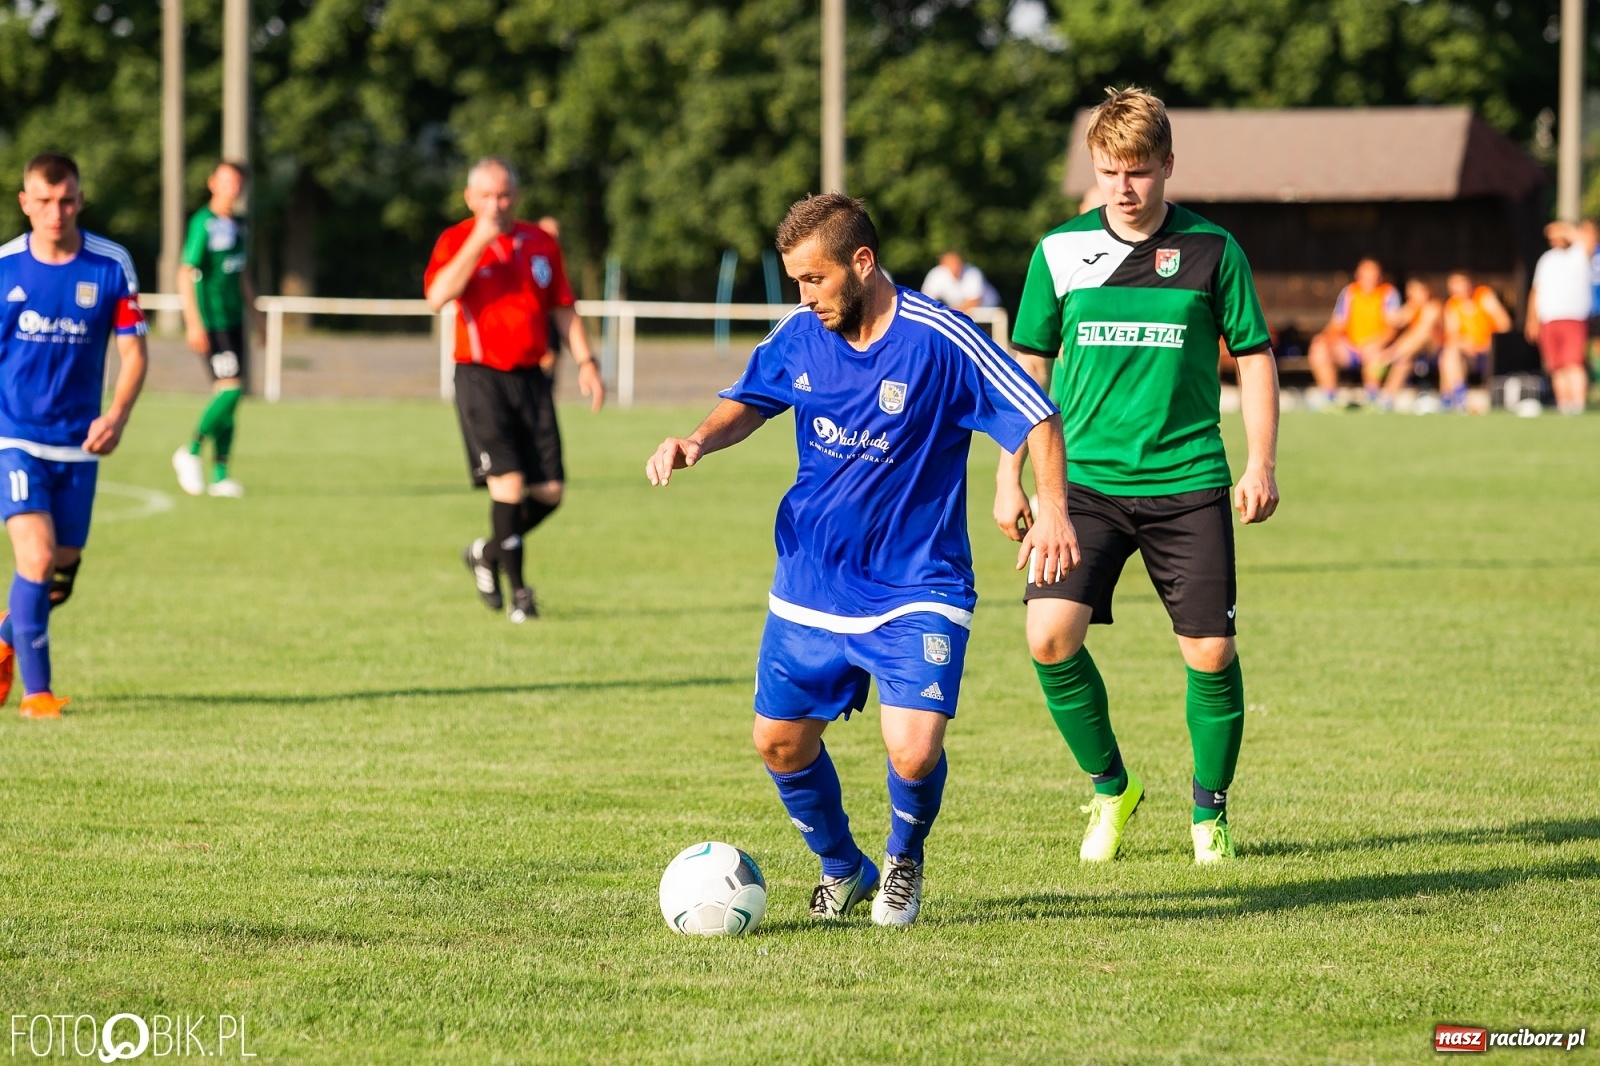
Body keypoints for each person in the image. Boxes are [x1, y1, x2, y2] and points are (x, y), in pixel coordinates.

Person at [645, 193, 1076, 926]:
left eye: (815, 280)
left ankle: (904, 861)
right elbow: (750, 398)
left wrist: (1054, 507)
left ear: (862, 263)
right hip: (812, 578)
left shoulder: (942, 338)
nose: (804, 297)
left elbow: (1036, 411)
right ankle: (844, 866)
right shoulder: (801, 336)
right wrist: (696, 440)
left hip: (918, 580)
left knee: (911, 752)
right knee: (778, 744)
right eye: (796, 283)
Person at [999, 86, 1280, 865]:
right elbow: (1028, 367)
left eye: (1139, 170)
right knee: (1049, 638)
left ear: (1167, 167)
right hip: (1079, 484)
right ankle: (1111, 786)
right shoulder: (1057, 252)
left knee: (1210, 656)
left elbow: (1254, 356)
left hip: (1187, 477)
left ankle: (1209, 813)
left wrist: (1260, 462)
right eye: (1108, 170)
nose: (1124, 187)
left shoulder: (1213, 250)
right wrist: (1007, 474)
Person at [0, 153, 148, 718]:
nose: (55, 212)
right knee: (35, 559)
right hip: (13, 437)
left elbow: (134, 351)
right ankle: (39, 696)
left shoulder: (111, 265)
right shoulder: (6, 267)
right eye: (43, 201)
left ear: (80, 200)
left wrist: (117, 415)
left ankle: (6, 641)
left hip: (79, 445)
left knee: (58, 576)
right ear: (25, 203)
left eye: (65, 201)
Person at [425, 159, 603, 623]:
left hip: (532, 379)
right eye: (485, 196)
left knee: (550, 491)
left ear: (516, 196)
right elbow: (437, 296)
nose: (495, 205)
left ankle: (487, 552)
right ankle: (521, 594)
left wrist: (587, 361)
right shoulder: (454, 240)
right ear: (470, 199)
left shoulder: (540, 243)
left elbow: (563, 307)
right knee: (508, 484)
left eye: (503, 195)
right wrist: (479, 241)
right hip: (480, 377)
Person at [172, 161, 253, 498]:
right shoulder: (202, 223)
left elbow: (242, 274)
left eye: (236, 182)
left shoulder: (239, 225)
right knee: (231, 390)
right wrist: (193, 322)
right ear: (212, 184)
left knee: (230, 398)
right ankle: (189, 451)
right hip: (213, 321)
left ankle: (220, 474)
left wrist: (257, 314)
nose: (231, 187)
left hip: (235, 321)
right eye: (225, 181)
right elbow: (185, 272)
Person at [1307, 257, 1402, 408]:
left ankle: (1372, 397)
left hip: (1377, 349)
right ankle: (1329, 397)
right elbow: (1338, 324)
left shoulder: (1388, 293)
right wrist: (1325, 337)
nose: (1369, 278)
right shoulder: (1349, 293)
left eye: (1373, 274)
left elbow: (1392, 330)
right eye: (1365, 274)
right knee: (1319, 347)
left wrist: (1374, 343)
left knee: (1373, 351)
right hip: (1349, 347)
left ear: (1380, 276)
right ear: (1358, 275)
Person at [1527, 221, 1592, 415]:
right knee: (1556, 366)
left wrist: (1566, 228)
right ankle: (1564, 405)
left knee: (1573, 363)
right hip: (1549, 318)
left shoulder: (1579, 254)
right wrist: (1532, 319)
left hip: (1573, 317)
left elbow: (1587, 239)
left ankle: (1578, 405)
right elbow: (1536, 290)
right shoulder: (1546, 259)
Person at [1440, 272, 1510, 411]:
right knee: (1448, 353)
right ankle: (1456, 395)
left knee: (1449, 354)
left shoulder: (1483, 296)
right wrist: (1465, 344)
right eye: (1456, 284)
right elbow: (1452, 334)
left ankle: (1450, 397)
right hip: (1467, 352)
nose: (1461, 288)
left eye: (1463, 283)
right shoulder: (1452, 305)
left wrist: (1488, 343)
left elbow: (1504, 323)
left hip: (1489, 350)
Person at [1380, 277, 1444, 399]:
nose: (1414, 295)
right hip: (1413, 350)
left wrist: (1389, 354)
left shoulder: (1433, 307)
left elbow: (1421, 332)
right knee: (1403, 360)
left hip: (1437, 350)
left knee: (1421, 335)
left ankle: (1391, 357)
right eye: (1412, 292)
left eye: (1418, 291)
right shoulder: (1412, 307)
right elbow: (1395, 320)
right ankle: (1387, 397)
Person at [919, 249, 1000, 313]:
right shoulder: (936, 274)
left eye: (956, 263)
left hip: (987, 310)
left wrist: (948, 311)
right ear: (942, 263)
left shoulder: (972, 273)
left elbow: (974, 302)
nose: (954, 267)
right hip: (960, 311)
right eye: (950, 263)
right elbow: (926, 299)